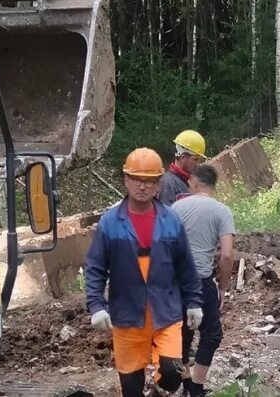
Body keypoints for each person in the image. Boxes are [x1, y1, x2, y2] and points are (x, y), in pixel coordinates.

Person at [84, 148, 204, 397]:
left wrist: (194, 302)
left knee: (173, 371)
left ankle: (160, 390)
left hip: (166, 312)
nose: (142, 186)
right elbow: (95, 267)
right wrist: (96, 305)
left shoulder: (170, 220)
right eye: (137, 179)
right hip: (127, 314)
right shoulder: (110, 222)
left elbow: (185, 265)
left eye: (149, 181)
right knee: (130, 386)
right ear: (126, 180)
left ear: (158, 184)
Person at [171, 164, 235, 397]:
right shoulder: (221, 211)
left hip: (175, 281)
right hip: (200, 281)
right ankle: (196, 389)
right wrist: (223, 288)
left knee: (182, 336)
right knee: (212, 334)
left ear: (196, 182)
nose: (188, 185)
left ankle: (186, 384)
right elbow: (227, 255)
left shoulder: (176, 208)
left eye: (189, 182)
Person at [157, 129, 207, 206]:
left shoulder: (188, 181)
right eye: (195, 159)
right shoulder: (168, 184)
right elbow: (165, 216)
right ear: (183, 157)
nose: (198, 164)